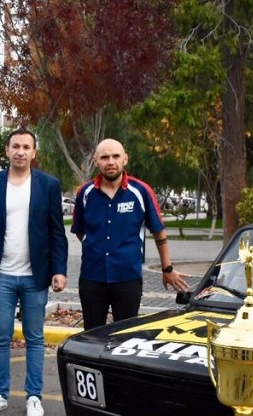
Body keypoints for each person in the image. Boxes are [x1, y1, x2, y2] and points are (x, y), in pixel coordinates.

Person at [0, 129, 67, 416]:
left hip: (35, 276)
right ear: (7, 150)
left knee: (34, 337)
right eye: (15, 146)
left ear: (34, 152)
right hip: (2, 275)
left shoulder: (48, 185)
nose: (20, 151)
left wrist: (59, 270)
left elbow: (56, 232)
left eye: (26, 147)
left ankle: (34, 397)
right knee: (1, 336)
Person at [71, 138, 189, 329]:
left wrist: (167, 269)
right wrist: (95, 245)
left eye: (116, 156)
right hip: (92, 278)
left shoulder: (140, 191)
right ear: (96, 161)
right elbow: (80, 231)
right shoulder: (85, 193)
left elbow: (159, 232)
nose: (111, 162)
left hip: (127, 279)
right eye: (105, 157)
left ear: (125, 159)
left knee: (125, 335)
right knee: (92, 337)